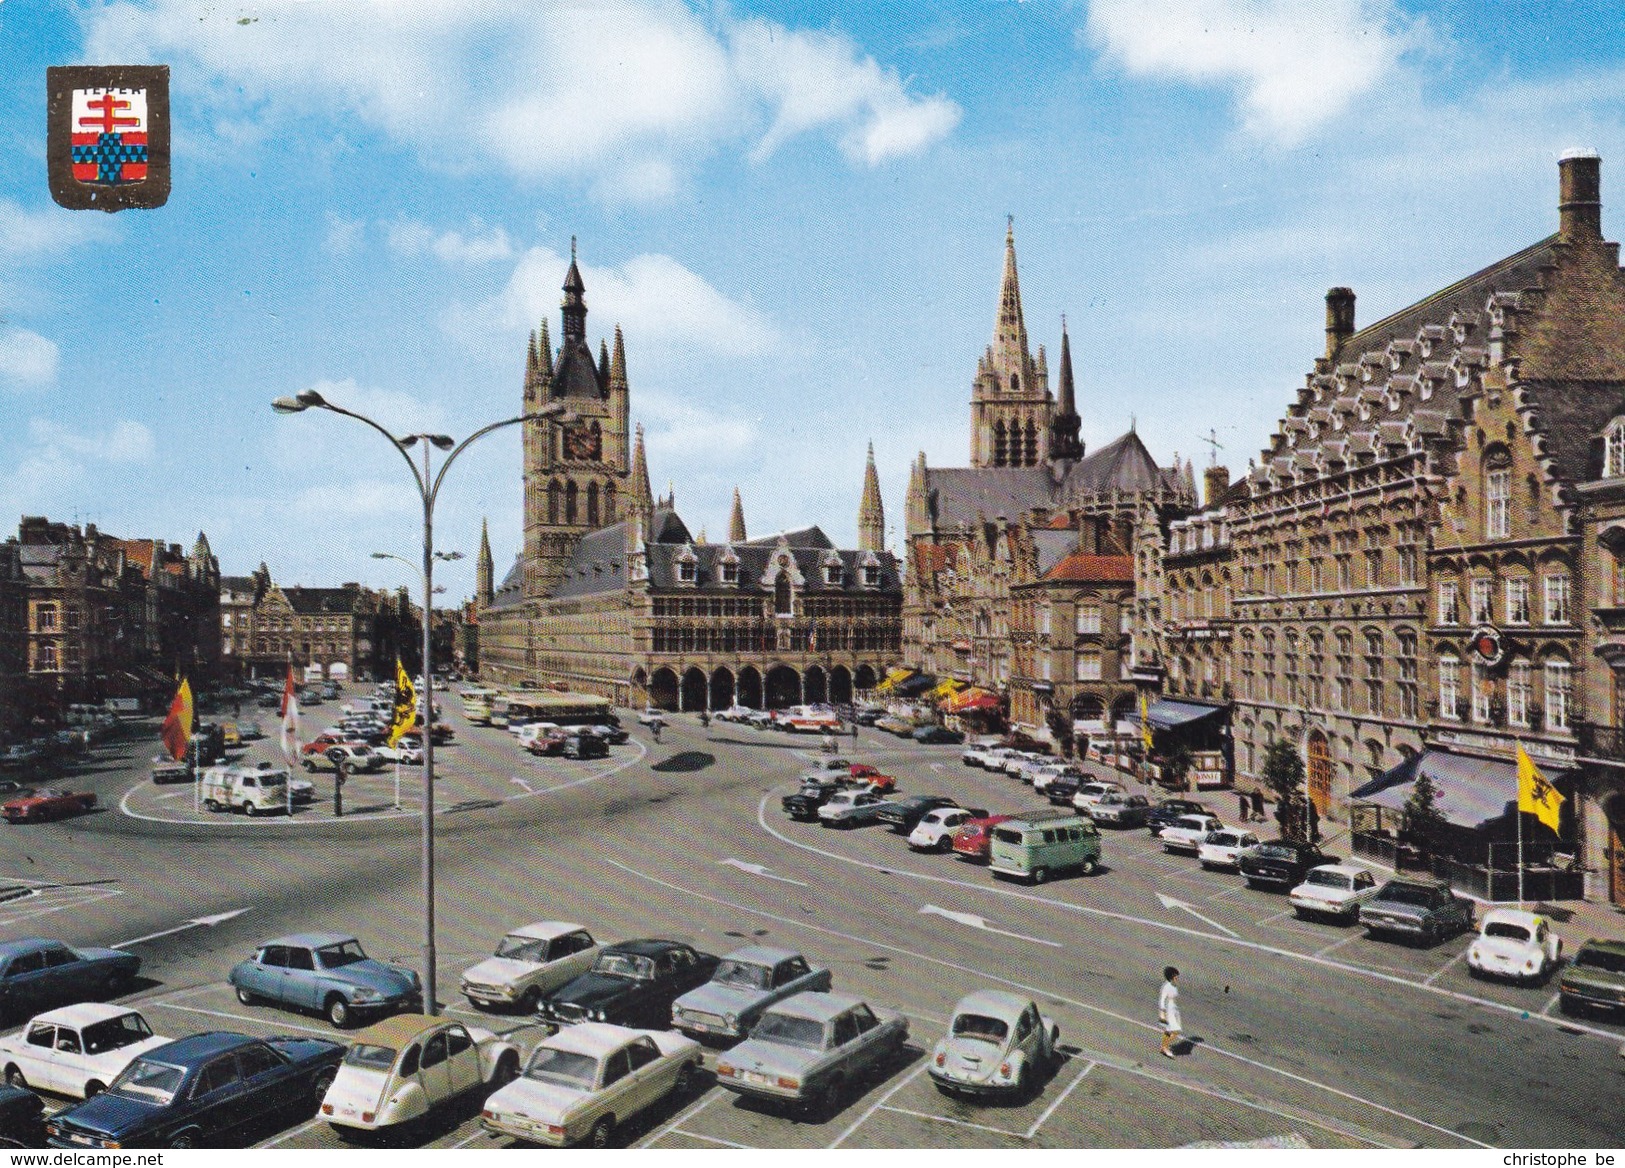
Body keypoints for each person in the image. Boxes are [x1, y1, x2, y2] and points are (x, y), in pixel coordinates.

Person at [1159, 966, 1181, 1058]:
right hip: (1168, 1011)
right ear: (1171, 976)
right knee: (1173, 1031)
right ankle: (1164, 1048)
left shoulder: (1173, 986)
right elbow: (1162, 1000)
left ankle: (1164, 1047)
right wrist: (1162, 1014)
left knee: (1173, 1031)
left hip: (1173, 1010)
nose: (1177, 977)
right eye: (1176, 976)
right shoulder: (1166, 987)